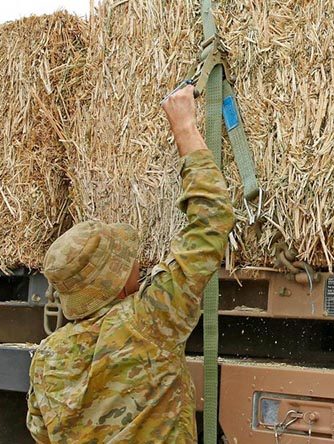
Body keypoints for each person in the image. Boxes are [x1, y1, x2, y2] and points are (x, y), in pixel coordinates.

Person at [26, 84, 235, 443]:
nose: (139, 264)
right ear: (118, 282)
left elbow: (41, 433)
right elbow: (211, 220)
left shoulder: (47, 358)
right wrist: (184, 126)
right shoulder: (149, 321)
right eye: (130, 262)